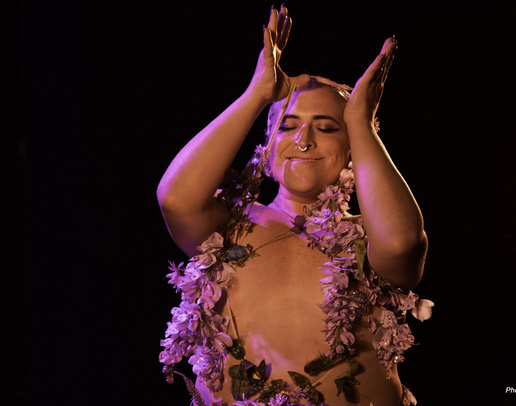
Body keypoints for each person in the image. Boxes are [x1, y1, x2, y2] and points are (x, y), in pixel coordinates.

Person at [157, 6, 430, 406]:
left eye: (328, 127)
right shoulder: (227, 230)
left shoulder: (371, 238)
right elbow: (175, 199)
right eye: (287, 125)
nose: (303, 140)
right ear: (266, 152)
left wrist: (362, 124)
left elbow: (403, 244)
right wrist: (257, 96)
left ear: (354, 149)